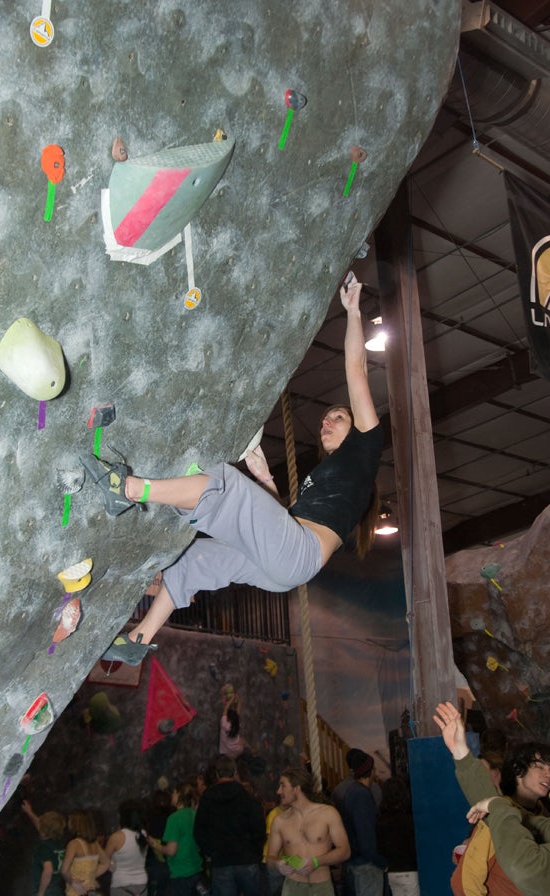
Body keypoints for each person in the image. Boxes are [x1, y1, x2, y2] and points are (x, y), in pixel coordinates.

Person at [96, 272, 382, 665]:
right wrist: (265, 478)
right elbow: (286, 521)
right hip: (286, 565)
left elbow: (356, 371)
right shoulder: (331, 477)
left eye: (337, 417)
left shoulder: (366, 449)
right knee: (200, 560)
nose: (326, 422)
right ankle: (139, 638)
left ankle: (127, 490)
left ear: (358, 425)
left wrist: (352, 312)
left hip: (298, 558)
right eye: (326, 419)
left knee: (225, 484)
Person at [434, 701, 550, 896]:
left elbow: (528, 869)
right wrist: (460, 751)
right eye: (539, 767)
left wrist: (498, 806)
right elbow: (501, 814)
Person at [266, 766, 351, 896]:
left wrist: (316, 862)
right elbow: (270, 857)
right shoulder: (279, 821)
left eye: (283, 786)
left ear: (297, 788)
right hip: (292, 888)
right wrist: (278, 864)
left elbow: (345, 851)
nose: (278, 791)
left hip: (321, 887)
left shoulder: (328, 813)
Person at [193, 755, 265, 896]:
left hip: (221, 861)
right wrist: (255, 852)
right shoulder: (246, 797)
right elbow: (259, 828)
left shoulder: (208, 798)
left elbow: (199, 831)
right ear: (235, 773)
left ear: (217, 774)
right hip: (247, 859)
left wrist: (211, 852)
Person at [340, 751, 387, 896]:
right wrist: (380, 861)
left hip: (356, 862)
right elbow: (365, 834)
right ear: (370, 770)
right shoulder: (361, 795)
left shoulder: (351, 792)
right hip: (366, 865)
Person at [145, 782, 204, 896]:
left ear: (179, 795)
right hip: (196, 869)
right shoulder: (194, 814)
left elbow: (171, 850)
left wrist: (155, 844)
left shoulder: (174, 818)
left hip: (180, 872)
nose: (172, 795)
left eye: (174, 792)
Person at [375, 776, 418, 896]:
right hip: (410, 871)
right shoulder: (409, 820)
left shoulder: (381, 820)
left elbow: (380, 848)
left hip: (393, 871)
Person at [60, 810, 111, 896]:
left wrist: (73, 883)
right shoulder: (95, 844)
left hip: (76, 892)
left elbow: (64, 871)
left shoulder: (74, 844)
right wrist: (90, 876)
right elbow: (106, 863)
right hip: (90, 891)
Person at [105, 800, 148, 896]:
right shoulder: (143, 834)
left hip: (121, 886)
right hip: (142, 885)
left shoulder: (116, 837)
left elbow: (105, 861)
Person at [26, 807, 66, 896]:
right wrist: (30, 812)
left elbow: (48, 871)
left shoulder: (43, 847)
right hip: (57, 887)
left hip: (46, 889)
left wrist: (40, 893)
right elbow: (44, 827)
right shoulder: (59, 843)